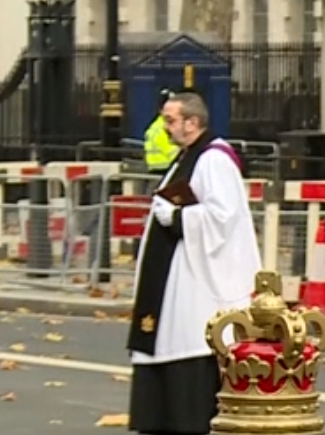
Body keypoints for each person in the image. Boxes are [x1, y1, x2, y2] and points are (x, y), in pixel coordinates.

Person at [126, 91, 261, 435]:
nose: (165, 127)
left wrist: (178, 216)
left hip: (199, 283)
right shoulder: (188, 156)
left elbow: (223, 216)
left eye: (171, 120)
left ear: (193, 122)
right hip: (178, 275)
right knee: (169, 343)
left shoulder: (213, 159)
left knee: (189, 348)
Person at [143, 88, 179, 173]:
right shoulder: (162, 128)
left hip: (158, 169)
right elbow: (173, 154)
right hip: (164, 170)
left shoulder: (156, 125)